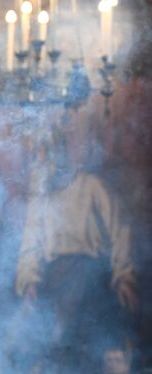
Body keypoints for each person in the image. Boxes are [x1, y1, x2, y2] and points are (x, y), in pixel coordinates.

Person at [16, 130, 137, 373]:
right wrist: (29, 279)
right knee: (51, 346)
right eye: (36, 156)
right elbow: (30, 245)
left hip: (91, 276)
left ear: (57, 154)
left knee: (90, 346)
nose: (40, 161)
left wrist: (124, 275)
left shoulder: (91, 185)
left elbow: (119, 230)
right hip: (53, 280)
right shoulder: (41, 198)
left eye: (44, 154)